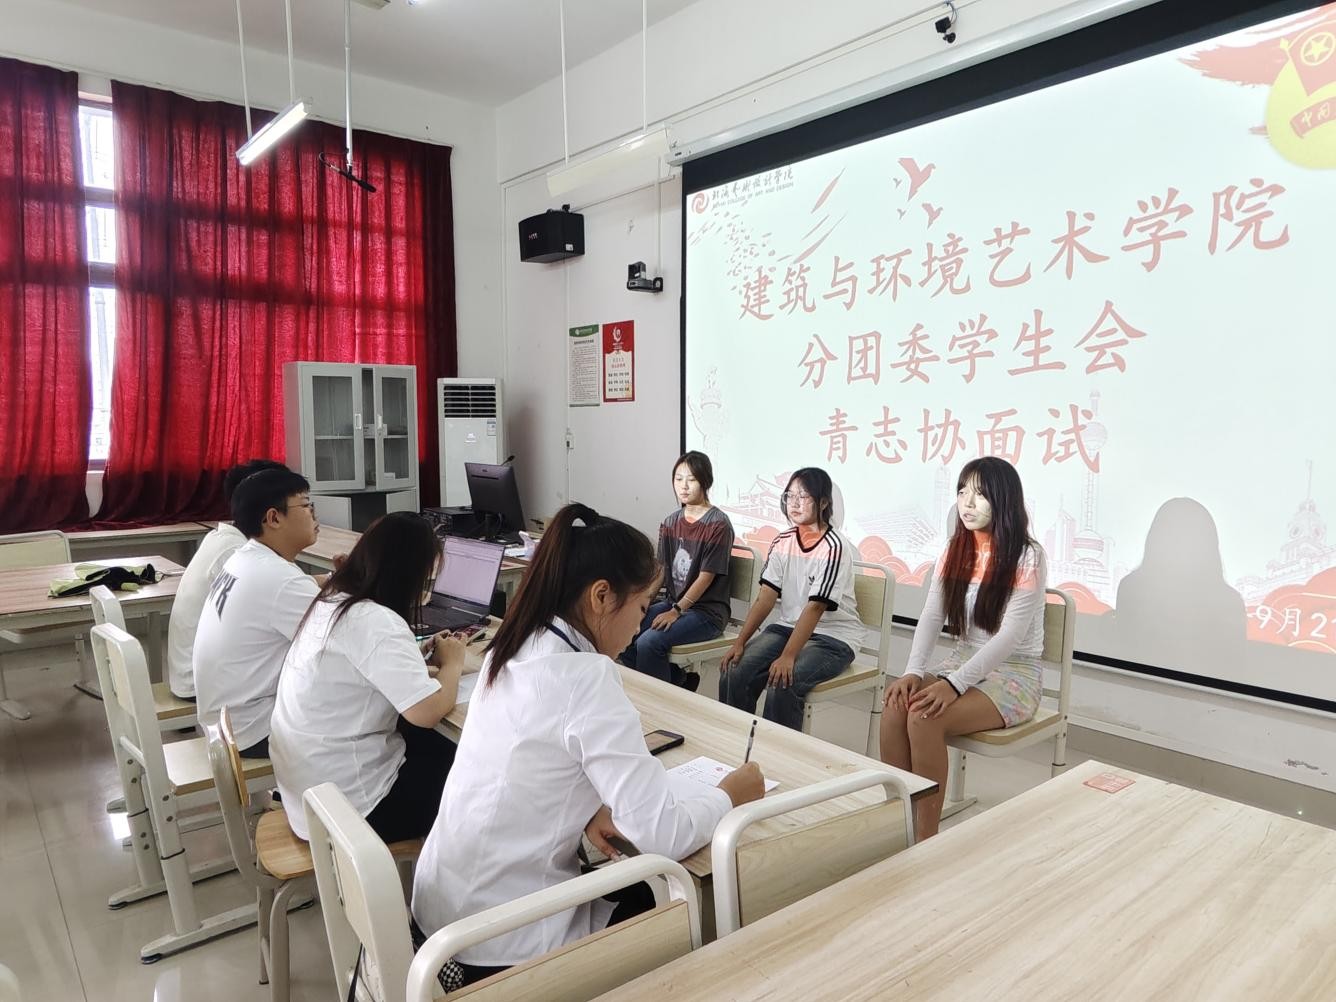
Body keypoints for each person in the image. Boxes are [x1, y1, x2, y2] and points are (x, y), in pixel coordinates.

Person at [411, 503, 765, 989]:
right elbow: (663, 834)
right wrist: (729, 795)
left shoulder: (514, 644)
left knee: (629, 886)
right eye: (641, 608)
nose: (640, 626)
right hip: (497, 949)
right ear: (601, 596)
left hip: (438, 923)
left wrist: (587, 808)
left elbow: (528, 766)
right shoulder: (586, 677)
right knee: (662, 901)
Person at [269, 512, 465, 842]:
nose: (425, 591)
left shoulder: (333, 599)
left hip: (309, 792)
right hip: (355, 811)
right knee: (470, 764)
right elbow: (427, 712)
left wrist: (414, 656)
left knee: (437, 744)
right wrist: (453, 665)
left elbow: (360, 668)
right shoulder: (375, 621)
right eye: (425, 581)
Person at [879, 456, 1048, 839]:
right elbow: (932, 613)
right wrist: (913, 671)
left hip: (1015, 674)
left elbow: (1010, 636)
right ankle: (898, 825)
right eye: (961, 492)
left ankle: (925, 838)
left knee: (924, 716)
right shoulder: (955, 548)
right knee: (895, 706)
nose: (967, 503)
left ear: (1003, 499)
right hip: (962, 662)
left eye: (980, 494)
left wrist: (953, 685)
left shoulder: (1028, 555)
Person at [718, 467, 865, 729]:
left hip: (834, 637)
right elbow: (765, 597)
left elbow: (815, 607)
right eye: (790, 496)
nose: (794, 503)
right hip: (788, 628)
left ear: (823, 503)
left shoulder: (834, 546)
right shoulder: (782, 541)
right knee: (734, 670)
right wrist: (740, 642)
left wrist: (788, 656)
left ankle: (776, 752)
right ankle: (734, 742)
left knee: (783, 682)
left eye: (803, 496)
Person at [193, 468, 321, 758]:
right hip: (253, 732)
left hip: (224, 725)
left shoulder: (246, 557)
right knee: (377, 713)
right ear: (273, 518)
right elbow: (343, 646)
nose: (314, 514)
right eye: (306, 505)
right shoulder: (280, 578)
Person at [165, 459, 287, 700]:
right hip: (204, 685)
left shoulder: (222, 538)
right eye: (301, 503)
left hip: (193, 674)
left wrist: (328, 579)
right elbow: (281, 604)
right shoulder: (236, 552)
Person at [621, 451, 735, 690]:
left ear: (705, 482)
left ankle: (660, 702)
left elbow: (706, 577)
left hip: (707, 613)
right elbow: (661, 570)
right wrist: (642, 602)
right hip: (673, 604)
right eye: (678, 479)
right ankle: (677, 681)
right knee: (624, 630)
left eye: (691, 479)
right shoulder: (671, 522)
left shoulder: (718, 524)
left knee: (649, 643)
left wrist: (676, 611)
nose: (683, 486)